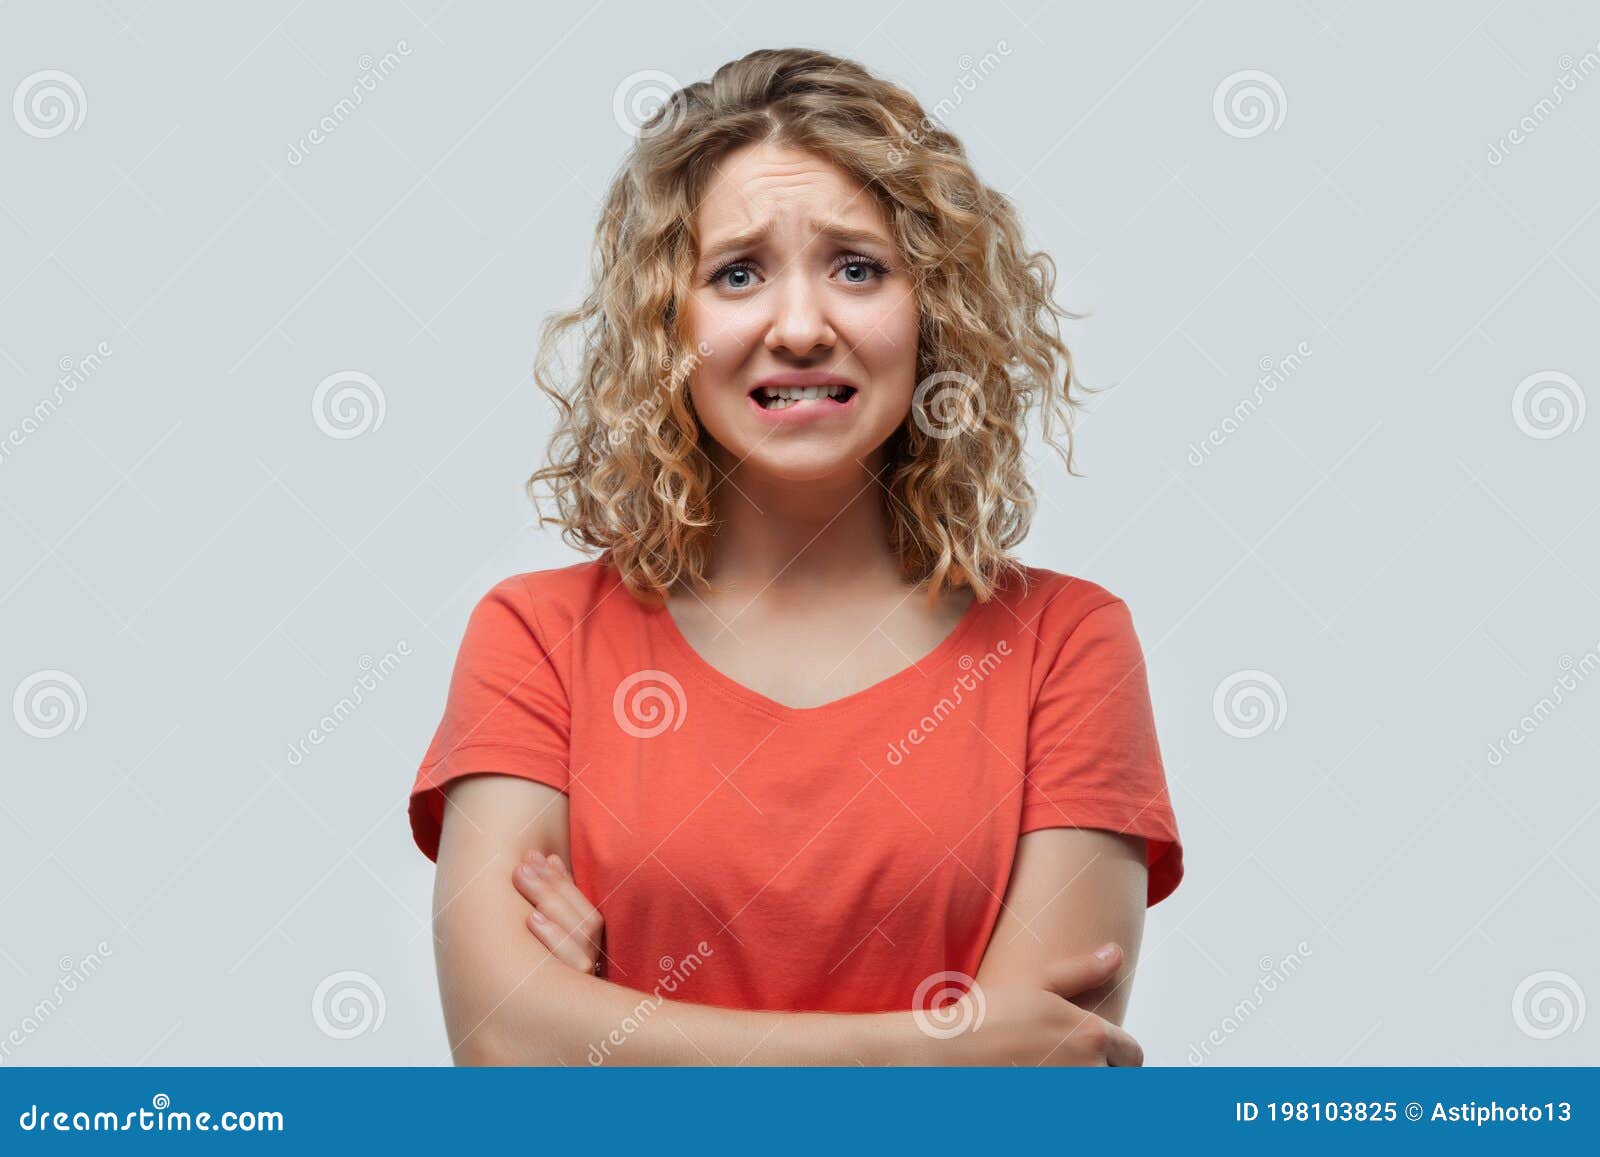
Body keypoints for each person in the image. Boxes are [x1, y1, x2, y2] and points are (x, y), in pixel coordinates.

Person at [407, 47, 1183, 1066]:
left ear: (934, 311)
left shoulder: (1063, 646)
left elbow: (1037, 1077)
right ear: (666, 324)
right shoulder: (538, 639)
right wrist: (927, 1050)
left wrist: (617, 1028)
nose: (803, 326)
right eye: (737, 273)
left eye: (857, 267)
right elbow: (506, 1048)